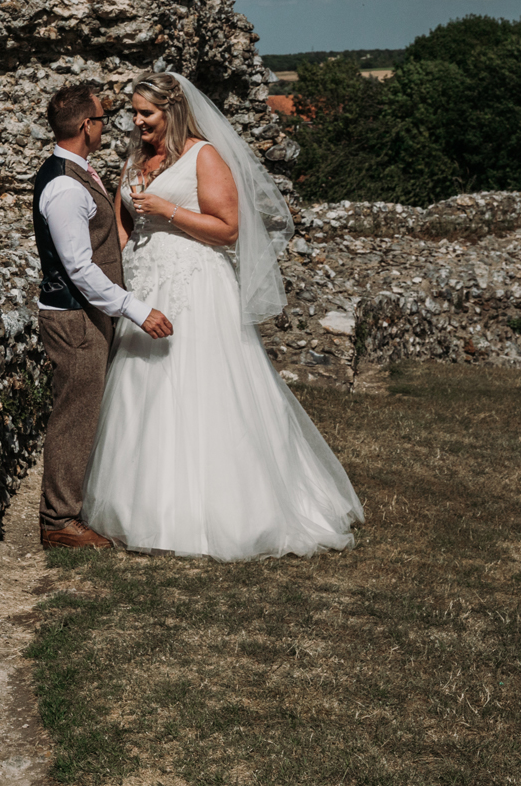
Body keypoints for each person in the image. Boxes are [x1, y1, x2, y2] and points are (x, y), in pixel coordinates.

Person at [82, 72, 364, 559]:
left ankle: (230, 510)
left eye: (145, 113)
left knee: (200, 385)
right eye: (132, 112)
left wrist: (168, 209)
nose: (135, 121)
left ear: (170, 111)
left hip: (196, 283)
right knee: (141, 388)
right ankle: (142, 506)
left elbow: (229, 230)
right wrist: (113, 281)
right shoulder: (133, 158)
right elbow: (123, 226)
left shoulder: (203, 156)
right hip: (146, 283)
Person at [32, 84, 173, 550]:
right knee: (75, 415)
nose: (107, 125)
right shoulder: (64, 187)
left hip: (83, 316)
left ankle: (68, 511)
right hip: (73, 319)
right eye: (101, 118)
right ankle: (59, 522)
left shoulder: (74, 173)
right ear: (85, 127)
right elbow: (79, 268)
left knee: (84, 412)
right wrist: (137, 310)